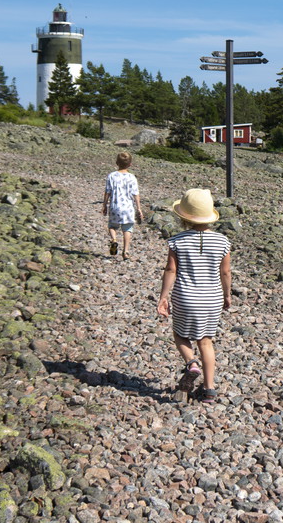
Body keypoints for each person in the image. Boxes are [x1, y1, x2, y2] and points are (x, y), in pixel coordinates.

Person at [156, 189, 232, 403]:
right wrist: (227, 295)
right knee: (206, 341)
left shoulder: (177, 241)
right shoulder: (222, 241)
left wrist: (163, 296)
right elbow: (225, 272)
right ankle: (209, 389)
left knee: (180, 335)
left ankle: (191, 363)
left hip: (185, 297)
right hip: (212, 298)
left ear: (184, 216)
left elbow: (170, 270)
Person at [102, 152, 143, 260]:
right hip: (128, 208)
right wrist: (139, 208)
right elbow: (135, 193)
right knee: (127, 229)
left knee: (112, 226)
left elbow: (107, 192)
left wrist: (104, 205)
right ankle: (126, 251)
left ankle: (114, 240)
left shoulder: (111, 176)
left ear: (116, 163)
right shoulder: (132, 177)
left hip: (115, 206)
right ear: (130, 164)